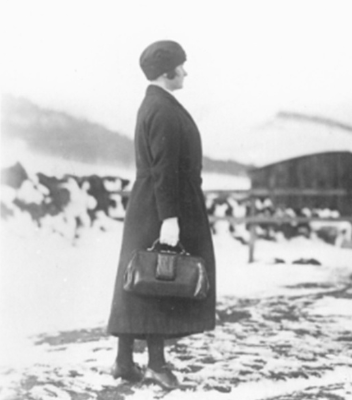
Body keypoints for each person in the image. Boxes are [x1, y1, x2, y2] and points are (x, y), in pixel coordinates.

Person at [106, 40, 216, 389]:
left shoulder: (155, 104)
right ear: (167, 71)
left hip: (149, 203)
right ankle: (155, 364)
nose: (185, 71)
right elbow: (164, 169)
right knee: (156, 282)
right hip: (160, 206)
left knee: (140, 282)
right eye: (181, 65)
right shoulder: (163, 109)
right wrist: (170, 218)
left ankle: (125, 362)